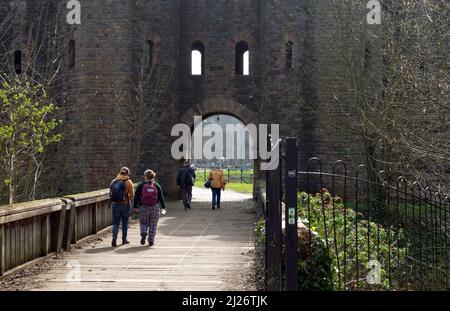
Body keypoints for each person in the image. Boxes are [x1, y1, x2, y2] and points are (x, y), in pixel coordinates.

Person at [133, 169, 166, 247]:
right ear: (153, 177)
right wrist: (163, 207)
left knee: (143, 222)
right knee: (153, 224)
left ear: (145, 176)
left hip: (144, 207)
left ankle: (144, 232)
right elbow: (161, 197)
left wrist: (135, 206)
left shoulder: (141, 185)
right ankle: (151, 240)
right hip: (154, 207)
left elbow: (136, 196)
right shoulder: (156, 185)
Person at [109, 167, 134, 247]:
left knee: (116, 223)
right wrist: (127, 198)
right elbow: (132, 195)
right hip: (125, 205)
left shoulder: (114, 181)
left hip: (115, 204)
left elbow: (110, 193)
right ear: (127, 173)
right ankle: (124, 240)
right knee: (125, 223)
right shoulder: (129, 182)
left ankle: (114, 239)